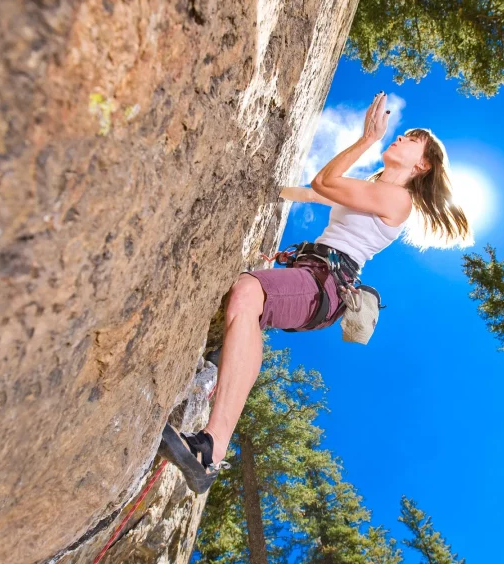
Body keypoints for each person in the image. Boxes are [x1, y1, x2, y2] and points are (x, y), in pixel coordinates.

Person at [159, 92, 473, 493]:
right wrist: (246, 179)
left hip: (325, 285)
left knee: (248, 292)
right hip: (311, 274)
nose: (400, 137)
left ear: (422, 164)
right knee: (247, 304)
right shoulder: (367, 189)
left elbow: (325, 181)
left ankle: (211, 448)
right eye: (402, 134)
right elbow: (310, 192)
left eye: (412, 138)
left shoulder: (398, 199)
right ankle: (225, 379)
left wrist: (366, 140)